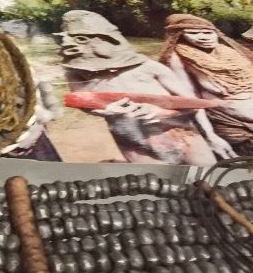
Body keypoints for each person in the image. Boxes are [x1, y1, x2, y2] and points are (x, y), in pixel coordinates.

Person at [56, 10, 234, 165]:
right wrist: (105, 110)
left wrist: (210, 136)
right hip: (133, 138)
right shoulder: (77, 73)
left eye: (82, 39)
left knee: (205, 174)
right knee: (157, 182)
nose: (70, 45)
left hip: (179, 132)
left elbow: (193, 104)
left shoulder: (147, 67)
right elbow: (82, 101)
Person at [160, 13, 253, 154]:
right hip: (233, 125)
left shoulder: (230, 52)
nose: (203, 37)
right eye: (193, 33)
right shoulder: (180, 59)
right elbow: (191, 101)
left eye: (208, 32)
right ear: (179, 35)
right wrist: (210, 136)